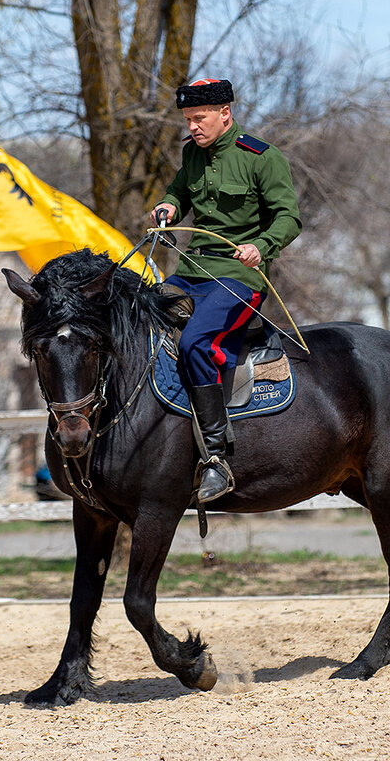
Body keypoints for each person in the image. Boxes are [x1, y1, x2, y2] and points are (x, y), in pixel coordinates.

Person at [149, 78, 302, 504]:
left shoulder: (262, 158)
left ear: (225, 114)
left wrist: (262, 246)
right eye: (187, 120)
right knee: (140, 314)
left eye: (199, 118)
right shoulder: (191, 153)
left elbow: (289, 218)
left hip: (240, 279)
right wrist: (168, 206)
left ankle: (215, 458)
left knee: (197, 341)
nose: (193, 127)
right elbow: (179, 191)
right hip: (192, 272)